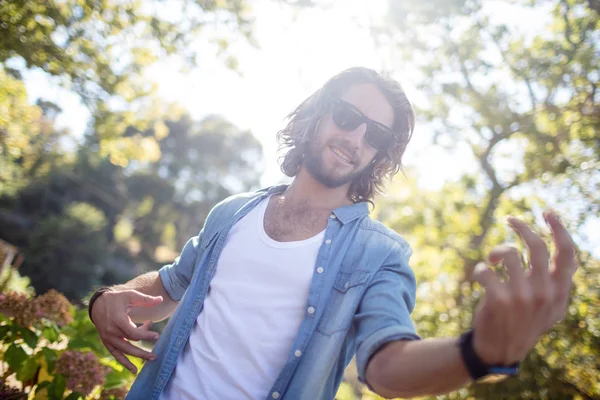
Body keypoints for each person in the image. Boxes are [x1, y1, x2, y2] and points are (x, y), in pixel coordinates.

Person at [89, 67, 578, 400]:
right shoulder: (233, 212)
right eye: (347, 118)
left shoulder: (379, 255)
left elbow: (385, 363)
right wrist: (109, 298)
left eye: (377, 136)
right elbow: (173, 285)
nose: (356, 139)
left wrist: (479, 352)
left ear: (381, 155)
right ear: (318, 114)